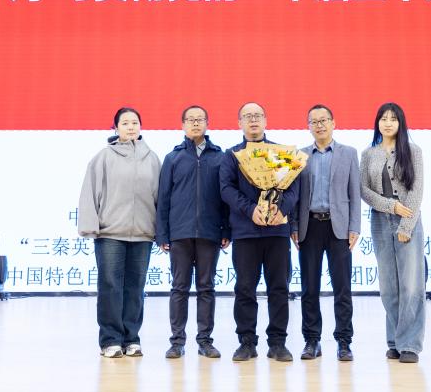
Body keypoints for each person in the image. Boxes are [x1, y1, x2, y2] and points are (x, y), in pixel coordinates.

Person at [78, 107, 162, 358]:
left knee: (136, 288)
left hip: (143, 234)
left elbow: (161, 197)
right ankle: (110, 340)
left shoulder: (152, 158)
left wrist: (161, 231)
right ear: (115, 128)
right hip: (110, 233)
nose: (130, 126)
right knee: (110, 287)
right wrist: (90, 226)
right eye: (125, 123)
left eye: (135, 122)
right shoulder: (103, 157)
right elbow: (89, 192)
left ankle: (131, 339)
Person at [219, 102, 300, 363]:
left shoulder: (281, 153)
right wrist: (250, 209)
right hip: (245, 232)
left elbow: (293, 189)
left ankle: (278, 343)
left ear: (265, 120)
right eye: (247, 116)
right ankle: (246, 342)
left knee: (279, 287)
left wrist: (281, 209)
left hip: (277, 231)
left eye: (257, 116)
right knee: (245, 288)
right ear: (239, 123)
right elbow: (226, 189)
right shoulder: (232, 155)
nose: (253, 120)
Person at [156, 105, 230, 359]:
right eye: (191, 119)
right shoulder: (173, 158)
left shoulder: (220, 157)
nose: (195, 123)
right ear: (183, 125)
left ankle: (205, 341)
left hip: (210, 232)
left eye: (200, 119)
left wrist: (226, 229)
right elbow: (163, 198)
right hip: (180, 233)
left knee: (206, 287)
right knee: (179, 288)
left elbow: (225, 197)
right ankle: (177, 342)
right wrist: (162, 234)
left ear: (207, 123)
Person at [290, 104, 361, 362]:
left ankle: (344, 342)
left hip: (338, 227)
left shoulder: (349, 153)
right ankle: (312, 340)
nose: (319, 125)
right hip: (309, 226)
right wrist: (294, 226)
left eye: (324, 120)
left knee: (342, 288)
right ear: (308, 126)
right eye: (314, 121)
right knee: (309, 288)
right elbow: (294, 195)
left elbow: (354, 192)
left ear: (333, 123)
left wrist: (354, 227)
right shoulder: (300, 156)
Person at [360, 102, 425, 363]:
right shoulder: (368, 154)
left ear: (401, 123)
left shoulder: (413, 151)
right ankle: (395, 342)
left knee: (411, 285)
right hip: (379, 221)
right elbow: (364, 190)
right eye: (383, 119)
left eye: (393, 119)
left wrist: (405, 225)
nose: (388, 123)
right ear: (377, 123)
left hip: (408, 219)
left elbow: (417, 190)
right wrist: (389, 206)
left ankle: (410, 345)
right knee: (388, 287)